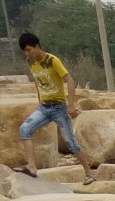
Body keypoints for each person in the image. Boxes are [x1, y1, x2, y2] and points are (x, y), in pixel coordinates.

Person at [16, 31, 94, 177]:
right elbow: (38, 83)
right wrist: (40, 102)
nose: (27, 54)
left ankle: (89, 173)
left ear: (37, 46)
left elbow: (69, 80)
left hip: (59, 108)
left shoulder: (52, 60)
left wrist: (71, 105)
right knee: (25, 129)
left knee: (70, 142)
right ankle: (31, 166)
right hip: (44, 108)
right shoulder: (32, 63)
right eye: (24, 51)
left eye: (29, 50)